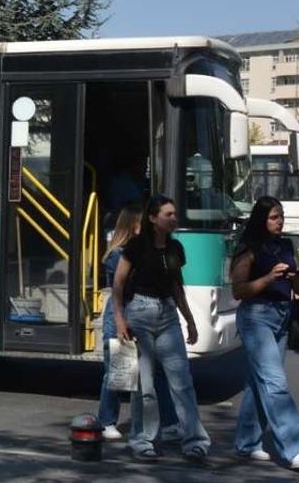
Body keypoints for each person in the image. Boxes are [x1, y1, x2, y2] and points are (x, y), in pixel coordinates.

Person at [111, 195, 211, 462]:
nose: (174, 219)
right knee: (145, 384)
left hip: (167, 314)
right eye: (168, 214)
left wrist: (189, 319)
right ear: (153, 218)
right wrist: (120, 319)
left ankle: (195, 440)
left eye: (175, 214)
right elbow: (118, 284)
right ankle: (143, 440)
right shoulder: (136, 247)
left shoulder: (175, 248)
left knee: (182, 381)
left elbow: (177, 285)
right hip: (140, 313)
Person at [229, 196, 299, 470]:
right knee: (275, 381)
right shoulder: (249, 249)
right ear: (261, 219)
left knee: (260, 382)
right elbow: (238, 291)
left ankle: (246, 442)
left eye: (281, 216)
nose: (280, 221)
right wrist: (268, 278)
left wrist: (296, 276)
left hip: (282, 315)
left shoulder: (288, 245)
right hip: (256, 316)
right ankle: (295, 448)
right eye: (274, 217)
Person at [98, 203, 180, 442]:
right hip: (121, 315)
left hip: (142, 315)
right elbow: (122, 287)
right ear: (131, 226)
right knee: (120, 371)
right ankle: (106, 421)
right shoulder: (118, 255)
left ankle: (169, 422)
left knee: (157, 371)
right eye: (142, 223)